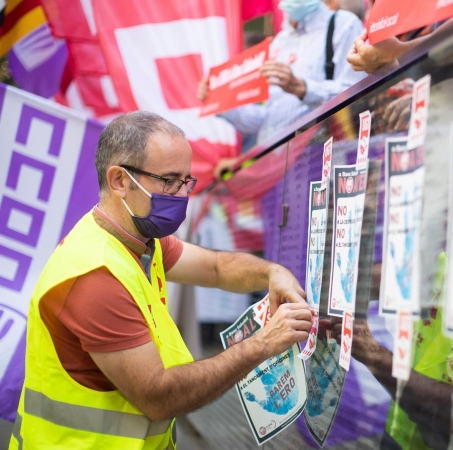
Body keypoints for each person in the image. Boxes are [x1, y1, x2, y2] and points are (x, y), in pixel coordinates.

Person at [9, 112, 312, 450]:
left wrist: (272, 272)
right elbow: (159, 396)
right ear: (119, 181)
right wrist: (262, 344)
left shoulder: (139, 238)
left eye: (186, 181)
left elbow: (214, 267)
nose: (182, 195)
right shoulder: (95, 277)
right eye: (169, 180)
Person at [198, 0, 366, 152]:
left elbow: (357, 92)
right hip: (274, 166)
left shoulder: (343, 24)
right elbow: (266, 121)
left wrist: (302, 88)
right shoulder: (278, 42)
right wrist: (220, 102)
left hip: (319, 156)